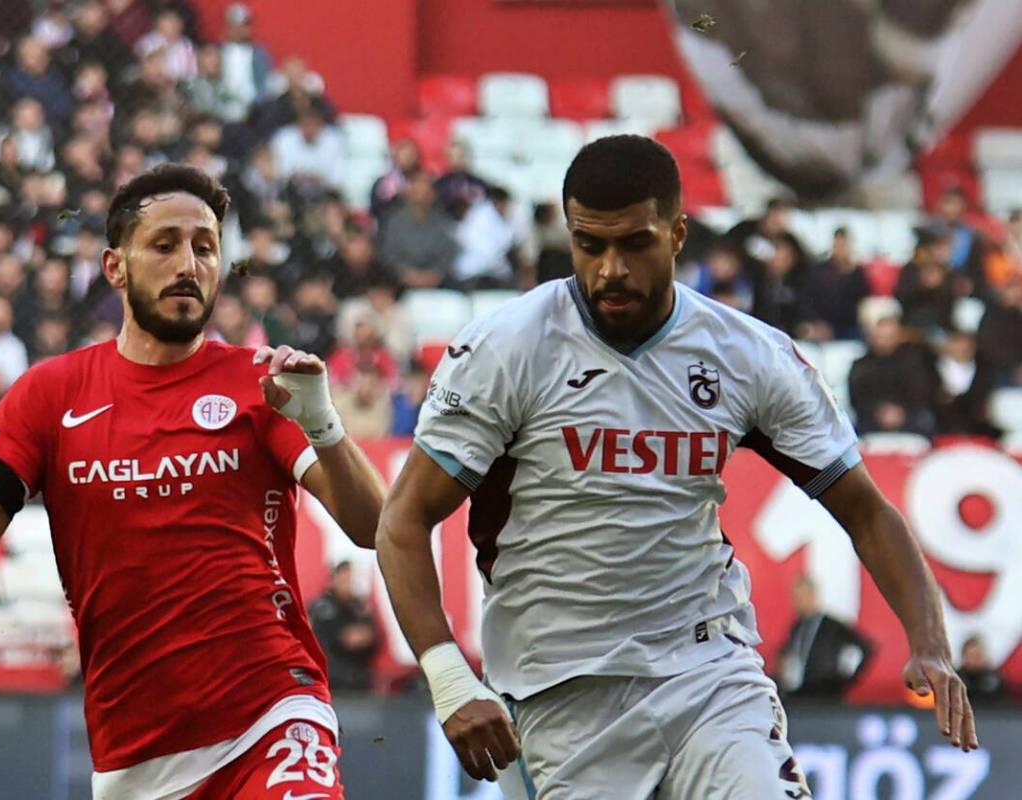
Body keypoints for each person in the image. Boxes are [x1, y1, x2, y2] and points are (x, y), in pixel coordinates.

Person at [375, 136, 978, 799]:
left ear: (678, 233)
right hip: (559, 692)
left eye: (634, 243)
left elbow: (865, 509)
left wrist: (929, 639)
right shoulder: (507, 349)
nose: (609, 269)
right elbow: (403, 520)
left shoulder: (747, 356)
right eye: (588, 244)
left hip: (707, 670)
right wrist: (449, 677)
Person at [0, 165, 386, 799]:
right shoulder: (49, 394)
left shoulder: (261, 384)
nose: (189, 264)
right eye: (165, 244)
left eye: (205, 247)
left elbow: (374, 527)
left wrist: (324, 422)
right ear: (115, 267)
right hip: (135, 758)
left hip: (273, 714)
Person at [776, 575, 873, 699]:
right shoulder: (797, 626)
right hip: (799, 695)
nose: (796, 602)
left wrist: (845, 679)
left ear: (812, 596)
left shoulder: (831, 626)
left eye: (800, 597)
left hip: (825, 695)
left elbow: (865, 647)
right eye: (794, 597)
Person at [307, 560, 379, 692]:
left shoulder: (358, 606)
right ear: (333, 579)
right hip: (332, 682)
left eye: (350, 578)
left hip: (358, 682)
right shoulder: (322, 606)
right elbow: (347, 639)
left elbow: (374, 638)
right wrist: (359, 635)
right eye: (344, 578)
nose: (348, 583)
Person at [956, 635, 1007, 704]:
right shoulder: (955, 680)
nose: (973, 660)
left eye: (977, 656)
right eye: (970, 656)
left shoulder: (995, 681)